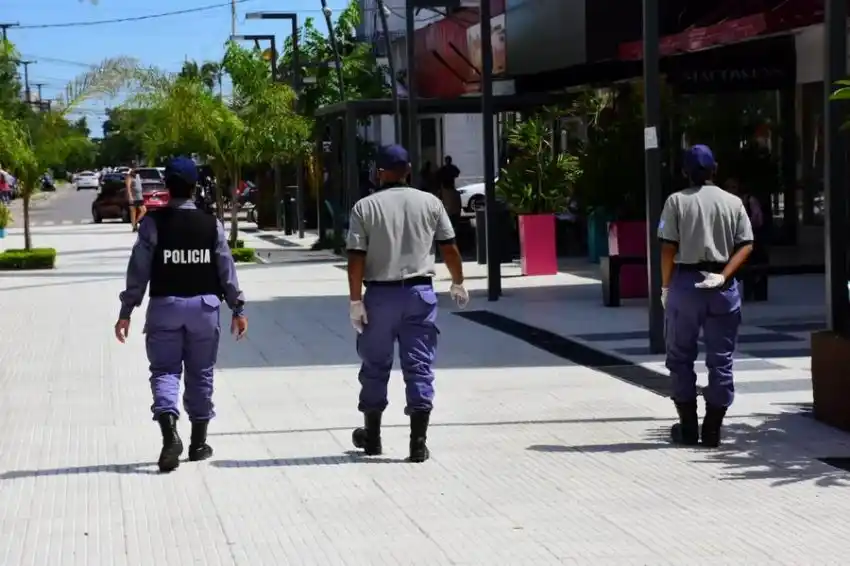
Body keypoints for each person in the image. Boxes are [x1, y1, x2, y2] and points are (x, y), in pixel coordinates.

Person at [114, 156, 248, 473]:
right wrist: (237, 307)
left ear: (166, 186)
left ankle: (169, 433)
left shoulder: (152, 223)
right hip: (204, 309)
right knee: (201, 373)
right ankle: (198, 444)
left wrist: (126, 310)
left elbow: (138, 271)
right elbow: (226, 269)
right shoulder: (211, 224)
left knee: (165, 371)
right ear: (194, 186)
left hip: (165, 307)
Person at [346, 144, 469, 463]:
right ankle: (418, 443)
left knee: (375, 365)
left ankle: (373, 437)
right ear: (409, 170)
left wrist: (355, 300)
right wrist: (458, 281)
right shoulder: (431, 203)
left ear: (380, 173)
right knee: (419, 366)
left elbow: (356, 258)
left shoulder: (364, 207)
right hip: (419, 295)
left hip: (380, 297)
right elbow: (449, 248)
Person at [658, 145, 753, 448]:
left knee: (680, 356)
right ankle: (712, 429)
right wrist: (724, 275)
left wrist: (665, 286)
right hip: (722, 286)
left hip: (686, 283)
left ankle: (688, 427)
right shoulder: (733, 202)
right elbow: (746, 244)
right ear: (715, 169)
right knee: (721, 359)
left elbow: (668, 248)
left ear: (684, 172)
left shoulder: (676, 201)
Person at [125, 161, 146, 232]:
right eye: (134, 168)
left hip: (139, 196)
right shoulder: (129, 177)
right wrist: (130, 197)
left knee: (144, 210)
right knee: (133, 212)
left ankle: (135, 223)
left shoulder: (138, 176)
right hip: (133, 197)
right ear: (131, 169)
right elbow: (128, 188)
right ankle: (134, 227)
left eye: (136, 167)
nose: (136, 169)